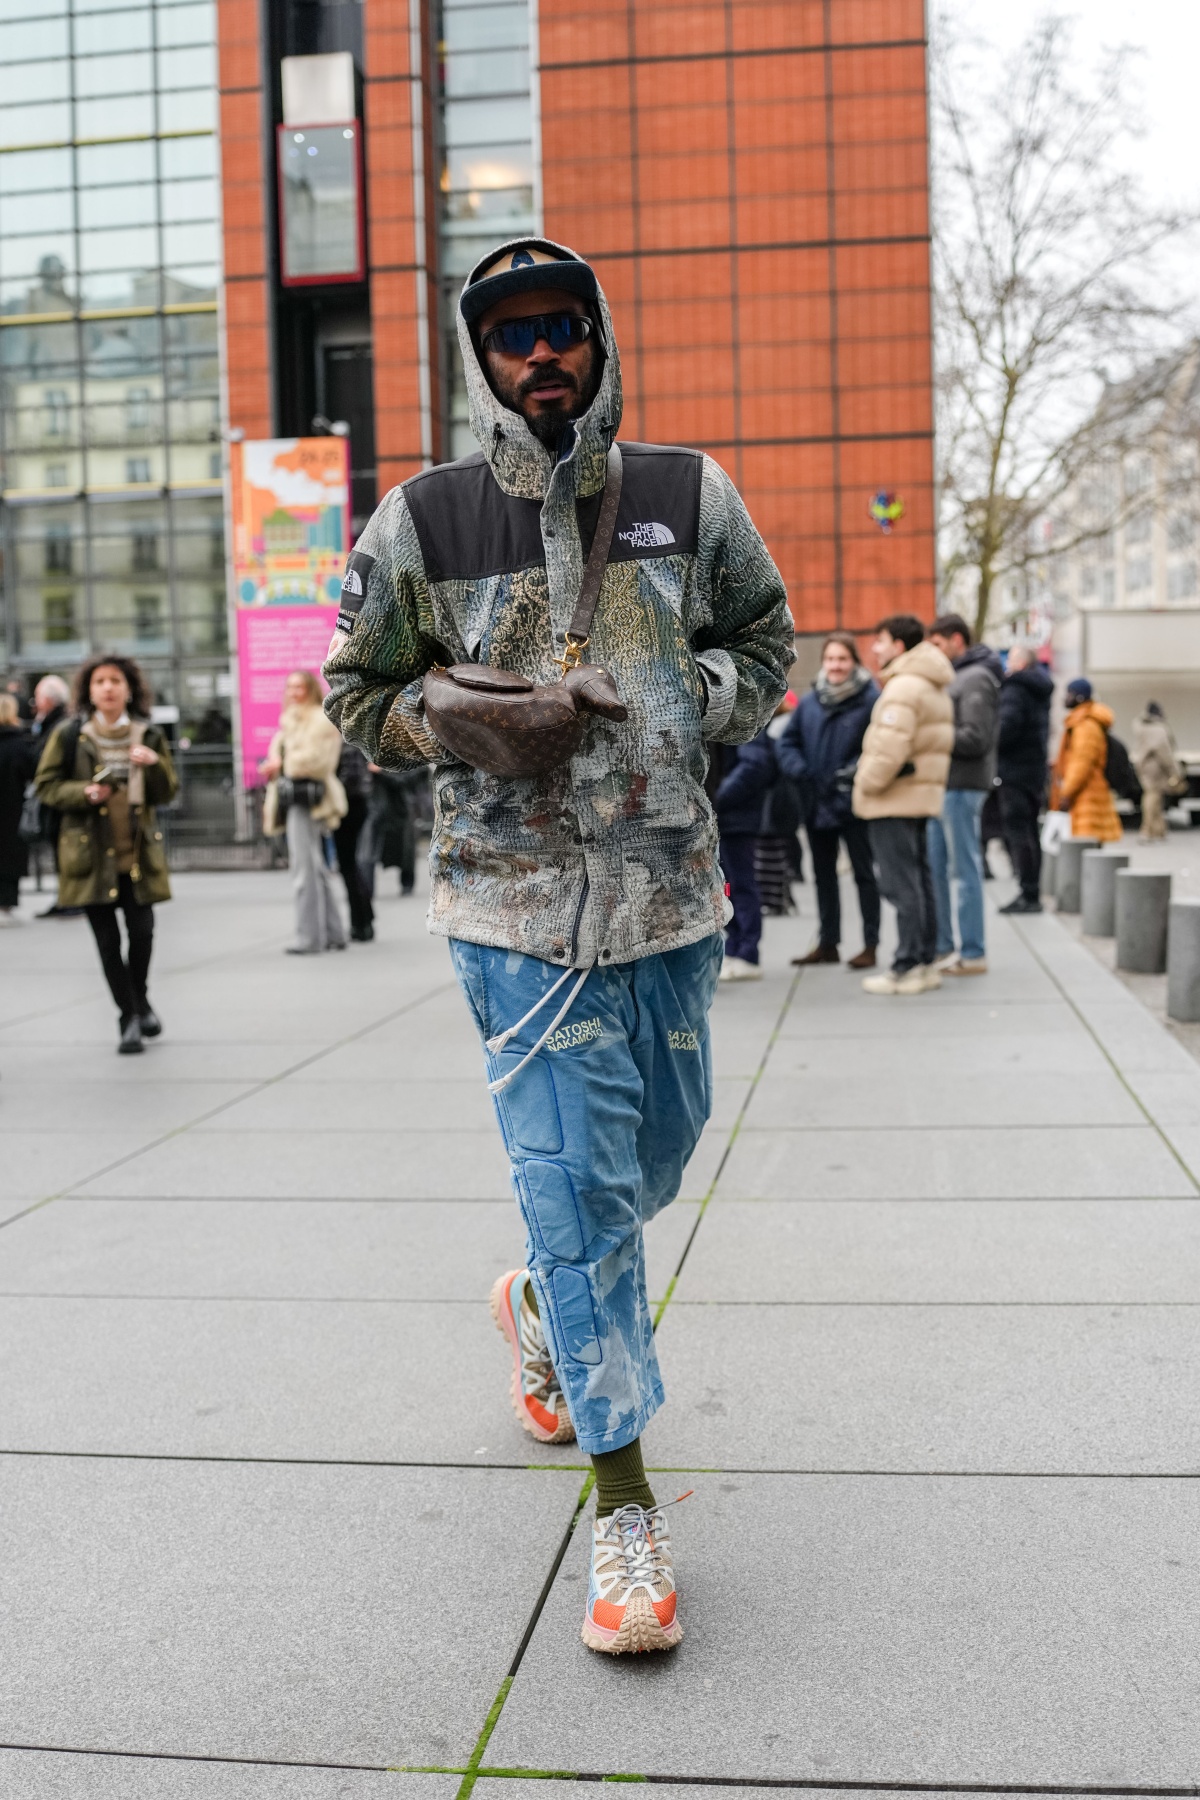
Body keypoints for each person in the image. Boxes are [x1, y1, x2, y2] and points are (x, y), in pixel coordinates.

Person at [323, 235, 792, 1656]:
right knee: (584, 1202)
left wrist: (679, 699)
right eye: (512, 332)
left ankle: (531, 1294)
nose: (541, 350)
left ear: (596, 337)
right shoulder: (422, 517)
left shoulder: (685, 495)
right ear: (482, 358)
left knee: (652, 1160)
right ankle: (626, 1509)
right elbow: (355, 688)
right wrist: (448, 723)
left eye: (561, 325)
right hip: (514, 915)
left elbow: (767, 643)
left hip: (672, 900)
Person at [34, 656, 178, 1054]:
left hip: (137, 859)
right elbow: (46, 786)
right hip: (90, 858)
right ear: (89, 690)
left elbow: (167, 792)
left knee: (143, 934)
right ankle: (129, 1017)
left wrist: (154, 765)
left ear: (129, 688)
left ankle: (140, 999)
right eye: (100, 681)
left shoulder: (147, 735)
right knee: (107, 942)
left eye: (116, 680)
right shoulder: (70, 734)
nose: (108, 688)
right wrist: (84, 792)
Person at [852, 615, 954, 995]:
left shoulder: (904, 687)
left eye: (880, 641)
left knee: (901, 885)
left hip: (893, 798)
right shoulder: (929, 683)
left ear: (898, 645)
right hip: (918, 796)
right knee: (921, 881)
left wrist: (864, 781)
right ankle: (925, 962)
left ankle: (906, 965)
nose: (875, 649)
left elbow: (889, 747)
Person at [778, 630, 881, 968]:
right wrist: (800, 770)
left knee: (864, 874)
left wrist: (852, 774)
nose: (836, 666)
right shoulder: (810, 701)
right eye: (831, 659)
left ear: (854, 662)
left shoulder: (870, 699)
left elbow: (878, 746)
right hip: (816, 802)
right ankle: (828, 942)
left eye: (843, 659)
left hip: (853, 802)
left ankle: (870, 944)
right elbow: (787, 743)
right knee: (823, 875)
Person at [925, 613, 1002, 976]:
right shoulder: (957, 676)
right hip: (946, 786)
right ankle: (945, 949)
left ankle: (972, 953)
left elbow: (975, 737)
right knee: (936, 869)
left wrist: (928, 736)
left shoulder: (976, 678)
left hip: (962, 787)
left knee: (964, 871)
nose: (934, 652)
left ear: (957, 640)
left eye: (938, 645)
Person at [260, 670, 349, 955]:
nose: (293, 691)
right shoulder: (291, 719)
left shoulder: (319, 719)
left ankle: (309, 937)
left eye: (299, 686)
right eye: (289, 686)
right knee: (313, 867)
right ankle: (334, 933)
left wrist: (282, 762)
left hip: (309, 799)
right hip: (296, 797)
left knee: (304, 870)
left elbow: (317, 762)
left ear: (310, 689)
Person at [714, 726, 778, 981]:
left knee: (740, 885)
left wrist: (716, 797)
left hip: (736, 818)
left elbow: (754, 766)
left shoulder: (743, 720)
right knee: (727, 886)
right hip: (727, 817)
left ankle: (748, 953)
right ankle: (736, 947)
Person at [995, 643, 1053, 914]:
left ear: (1019, 663)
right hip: (1033, 770)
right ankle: (1032, 890)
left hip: (1015, 771)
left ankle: (1027, 893)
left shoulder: (1016, 688)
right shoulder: (1039, 688)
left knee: (1019, 831)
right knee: (1031, 830)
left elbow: (1007, 728)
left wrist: (991, 744)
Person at [29, 675, 78, 917]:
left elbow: (44, 760)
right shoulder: (57, 723)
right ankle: (65, 898)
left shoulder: (59, 726)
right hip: (58, 797)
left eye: (36, 700)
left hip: (61, 801)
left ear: (48, 700)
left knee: (66, 851)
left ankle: (70, 899)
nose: (35, 706)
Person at [1050, 678, 1122, 843]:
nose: (1065, 698)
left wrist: (1065, 793)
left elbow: (1081, 763)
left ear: (1079, 697)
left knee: (1084, 844)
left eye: (1069, 693)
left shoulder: (1085, 725)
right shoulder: (1081, 722)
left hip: (1086, 795)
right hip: (1086, 792)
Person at [333, 740, 375, 940]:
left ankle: (360, 923)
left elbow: (349, 779)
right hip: (356, 804)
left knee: (348, 866)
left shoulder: (341, 740)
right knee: (351, 866)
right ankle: (364, 919)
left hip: (349, 806)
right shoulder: (348, 738)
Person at [0, 694, 36, 924]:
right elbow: (33, 773)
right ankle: (6, 902)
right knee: (10, 856)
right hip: (12, 810)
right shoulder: (20, 744)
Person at [1132, 701, 1183, 842]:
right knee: (1153, 797)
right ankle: (1147, 830)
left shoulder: (1141, 726)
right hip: (1156, 768)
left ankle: (1158, 829)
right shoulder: (1158, 729)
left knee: (1153, 797)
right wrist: (1174, 770)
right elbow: (1165, 753)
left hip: (1145, 766)